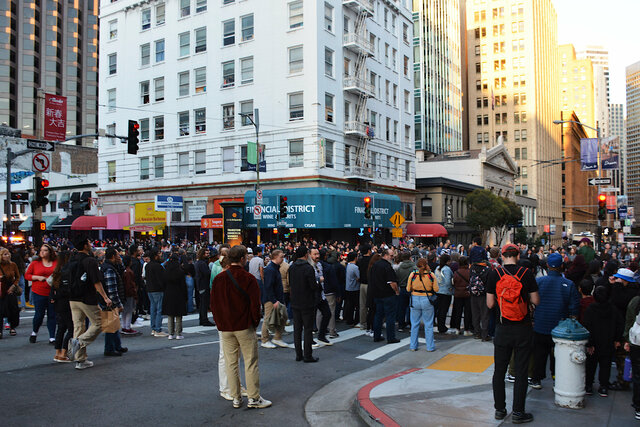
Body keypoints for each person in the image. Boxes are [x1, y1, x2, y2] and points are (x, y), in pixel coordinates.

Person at [210, 245, 271, 409]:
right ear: (243, 258)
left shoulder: (219, 279)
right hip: (243, 325)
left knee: (231, 363)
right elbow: (254, 305)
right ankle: (254, 397)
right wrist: (253, 322)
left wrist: (220, 322)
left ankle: (235, 397)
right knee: (250, 362)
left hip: (225, 327)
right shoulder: (248, 279)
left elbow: (213, 304)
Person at [486, 243, 540, 424]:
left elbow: (490, 304)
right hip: (523, 328)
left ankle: (499, 409)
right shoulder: (526, 273)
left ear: (502, 255)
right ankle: (518, 412)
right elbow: (535, 300)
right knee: (521, 371)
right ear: (518, 255)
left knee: (499, 371)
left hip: (502, 328)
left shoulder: (495, 274)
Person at [529, 252, 580, 390]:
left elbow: (531, 301)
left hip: (540, 324)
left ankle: (536, 379)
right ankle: (557, 379)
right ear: (562, 266)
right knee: (558, 355)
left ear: (547, 265)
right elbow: (574, 308)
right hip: (560, 327)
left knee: (539, 354)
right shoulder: (568, 284)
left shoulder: (539, 282)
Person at [68, 237, 113, 370]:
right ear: (85, 246)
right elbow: (96, 281)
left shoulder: (72, 258)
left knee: (78, 326)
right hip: (86, 297)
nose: (91, 244)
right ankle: (80, 342)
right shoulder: (90, 261)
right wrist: (105, 297)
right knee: (99, 323)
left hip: (72, 298)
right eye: (88, 243)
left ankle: (80, 359)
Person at [583, 286, 624, 397]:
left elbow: (587, 326)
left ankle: (588, 385)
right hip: (608, 341)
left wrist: (589, 343)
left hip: (594, 343)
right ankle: (604, 386)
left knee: (591, 365)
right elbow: (619, 325)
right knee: (605, 365)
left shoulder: (590, 309)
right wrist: (617, 339)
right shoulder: (613, 309)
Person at [289, 246, 321, 362]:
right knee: (307, 329)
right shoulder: (308, 268)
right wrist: (318, 283)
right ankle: (307, 355)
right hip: (307, 302)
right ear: (306, 254)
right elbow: (313, 286)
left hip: (295, 301)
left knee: (297, 329)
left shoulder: (292, 267)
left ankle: (298, 354)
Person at [610, 268, 639, 390]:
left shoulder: (627, 294)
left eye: (618, 278)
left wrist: (616, 286)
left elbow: (618, 301)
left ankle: (623, 380)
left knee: (622, 356)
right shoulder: (633, 290)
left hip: (626, 330)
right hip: (630, 330)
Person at [25, 244, 57, 344]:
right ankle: (34, 332)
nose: (42, 252)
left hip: (52, 292)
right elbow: (27, 275)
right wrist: (37, 277)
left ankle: (52, 337)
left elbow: (60, 273)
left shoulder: (56, 263)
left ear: (50, 252)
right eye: (41, 250)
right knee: (39, 314)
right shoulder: (35, 263)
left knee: (52, 315)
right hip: (38, 291)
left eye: (45, 250)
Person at [100, 247, 128, 356]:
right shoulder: (109, 269)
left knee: (115, 324)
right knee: (111, 325)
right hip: (110, 302)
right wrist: (118, 304)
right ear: (112, 256)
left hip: (110, 301)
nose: (119, 256)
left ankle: (117, 346)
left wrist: (120, 263)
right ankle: (109, 348)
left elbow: (122, 271)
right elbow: (112, 289)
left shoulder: (112, 266)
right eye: (117, 255)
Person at [369, 248, 400, 344]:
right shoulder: (387, 266)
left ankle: (376, 335)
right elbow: (392, 282)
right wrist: (396, 291)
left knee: (378, 315)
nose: (392, 257)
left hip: (377, 294)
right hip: (387, 295)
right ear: (385, 255)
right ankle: (391, 337)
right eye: (391, 256)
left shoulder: (375, 265)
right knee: (390, 316)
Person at [406, 258, 438, 351]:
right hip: (427, 299)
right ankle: (430, 347)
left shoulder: (412, 275)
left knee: (414, 324)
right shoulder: (431, 275)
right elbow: (436, 289)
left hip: (415, 298)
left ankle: (413, 346)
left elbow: (408, 289)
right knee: (428, 324)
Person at [260, 249, 287, 348]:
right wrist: (274, 300)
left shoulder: (274, 268)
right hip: (271, 300)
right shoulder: (271, 269)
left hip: (277, 298)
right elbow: (268, 287)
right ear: (275, 257)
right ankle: (265, 339)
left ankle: (277, 338)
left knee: (282, 317)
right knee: (268, 319)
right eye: (281, 257)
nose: (283, 259)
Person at [49, 250, 73, 361]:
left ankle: (58, 352)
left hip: (58, 303)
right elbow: (66, 290)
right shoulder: (67, 271)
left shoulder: (57, 271)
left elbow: (53, 288)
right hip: (66, 302)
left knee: (61, 328)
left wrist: (53, 297)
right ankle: (64, 352)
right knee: (71, 328)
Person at [309, 248, 332, 345]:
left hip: (321, 295)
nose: (317, 256)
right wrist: (319, 280)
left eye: (318, 254)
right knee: (310, 318)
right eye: (314, 254)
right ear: (310, 255)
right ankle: (309, 338)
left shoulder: (319, 264)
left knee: (327, 313)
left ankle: (321, 335)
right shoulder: (308, 266)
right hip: (312, 295)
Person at [163, 254, 187, 340]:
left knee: (170, 315)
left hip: (168, 293)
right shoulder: (180, 271)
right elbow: (183, 285)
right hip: (179, 293)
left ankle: (170, 333)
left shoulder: (166, 271)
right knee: (178, 315)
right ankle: (178, 333)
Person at [0, 247, 21, 338]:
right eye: (5, 254)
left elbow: (17, 276)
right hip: (1, 289)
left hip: (10, 288)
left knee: (13, 308)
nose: (7, 255)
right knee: (0, 310)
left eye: (8, 254)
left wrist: (14, 286)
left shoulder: (13, 265)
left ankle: (13, 327)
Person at [395, 251, 416, 332]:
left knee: (401, 307)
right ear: (410, 257)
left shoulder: (399, 267)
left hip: (402, 287)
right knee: (411, 307)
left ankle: (401, 325)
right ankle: (410, 324)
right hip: (411, 288)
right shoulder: (413, 267)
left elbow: (397, 278)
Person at [451, 256, 473, 336]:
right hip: (467, 294)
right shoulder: (469, 272)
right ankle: (466, 329)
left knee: (458, 312)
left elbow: (453, 282)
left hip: (458, 294)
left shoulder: (456, 272)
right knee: (467, 312)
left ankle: (457, 328)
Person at [434, 254, 454, 335]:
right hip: (446, 292)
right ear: (447, 261)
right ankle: (442, 327)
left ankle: (440, 325)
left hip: (438, 290)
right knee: (444, 310)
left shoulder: (437, 268)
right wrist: (451, 288)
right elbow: (448, 281)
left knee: (439, 310)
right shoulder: (447, 269)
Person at [195, 248, 214, 326]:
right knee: (204, 304)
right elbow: (207, 273)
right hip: (204, 285)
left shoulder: (198, 263)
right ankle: (204, 320)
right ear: (203, 254)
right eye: (206, 253)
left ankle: (202, 319)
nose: (208, 255)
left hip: (200, 285)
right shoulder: (202, 264)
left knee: (202, 304)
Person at [121, 256, 139, 335]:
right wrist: (134, 294)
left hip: (124, 293)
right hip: (129, 293)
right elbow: (130, 284)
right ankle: (127, 327)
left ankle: (124, 326)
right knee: (129, 311)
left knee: (124, 311)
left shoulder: (123, 271)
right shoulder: (129, 272)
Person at [357, 244, 372, 330]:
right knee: (372, 305)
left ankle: (363, 323)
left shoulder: (359, 260)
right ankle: (371, 322)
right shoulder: (371, 260)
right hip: (370, 284)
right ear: (369, 250)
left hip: (362, 284)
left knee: (362, 305)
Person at [343, 252, 360, 326]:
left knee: (350, 305)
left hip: (348, 288)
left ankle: (349, 320)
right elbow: (359, 277)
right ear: (355, 258)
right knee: (357, 305)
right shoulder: (355, 267)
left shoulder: (347, 266)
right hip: (355, 288)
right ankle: (356, 320)